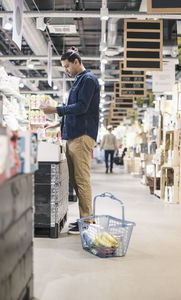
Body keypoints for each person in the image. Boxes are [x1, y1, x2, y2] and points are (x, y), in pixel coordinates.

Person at [40, 46, 100, 234]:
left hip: (81, 136)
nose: (66, 70)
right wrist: (58, 124)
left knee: (82, 180)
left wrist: (55, 110)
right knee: (76, 180)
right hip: (73, 134)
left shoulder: (88, 80)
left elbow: (82, 107)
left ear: (76, 62)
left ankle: (87, 221)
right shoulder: (79, 81)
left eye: (67, 66)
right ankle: (84, 219)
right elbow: (75, 110)